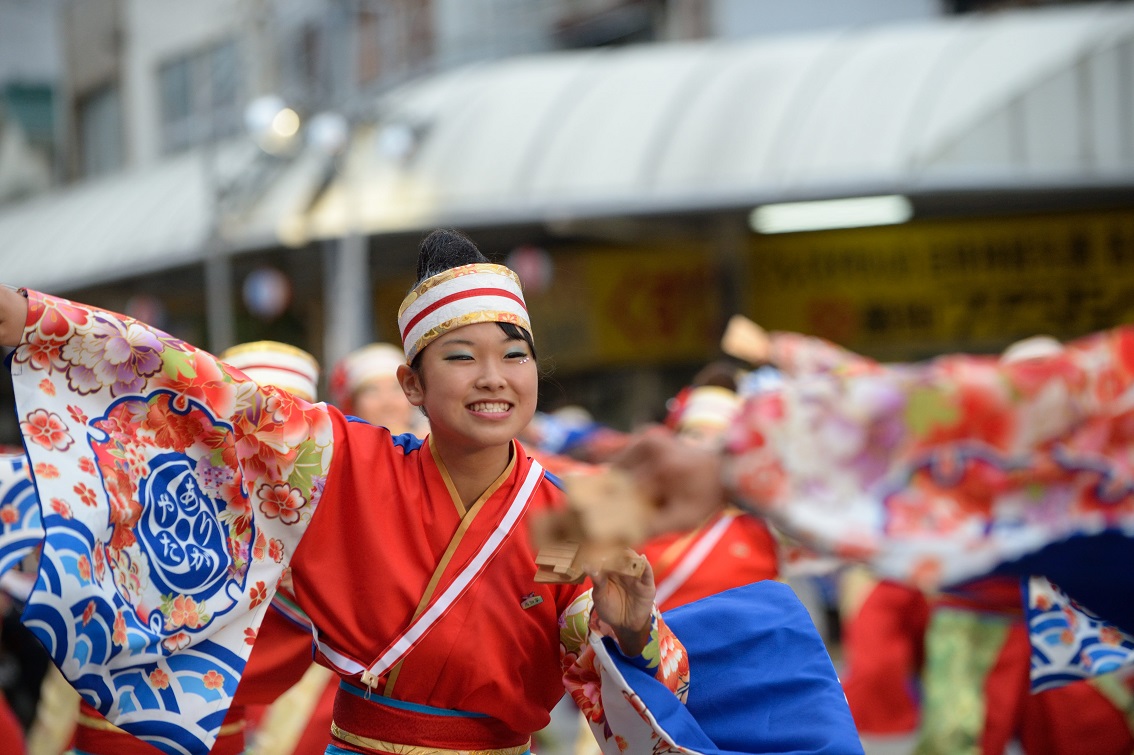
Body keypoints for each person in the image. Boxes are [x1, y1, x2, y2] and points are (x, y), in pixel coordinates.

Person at [0, 235, 689, 755]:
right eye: (460, 356)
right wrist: (38, 323)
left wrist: (631, 629)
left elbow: (593, 664)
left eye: (514, 354)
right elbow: (212, 395)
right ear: (412, 384)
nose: (493, 377)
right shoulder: (344, 464)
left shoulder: (564, 517)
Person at [616, 321, 1134, 689]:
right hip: (976, 609)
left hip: (1051, 617)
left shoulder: (765, 520)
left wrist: (753, 448)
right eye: (692, 435)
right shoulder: (663, 511)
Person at [329, 342, 423, 435]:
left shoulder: (432, 446)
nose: (387, 402)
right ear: (353, 403)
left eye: (396, 389)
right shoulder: (337, 448)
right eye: (372, 391)